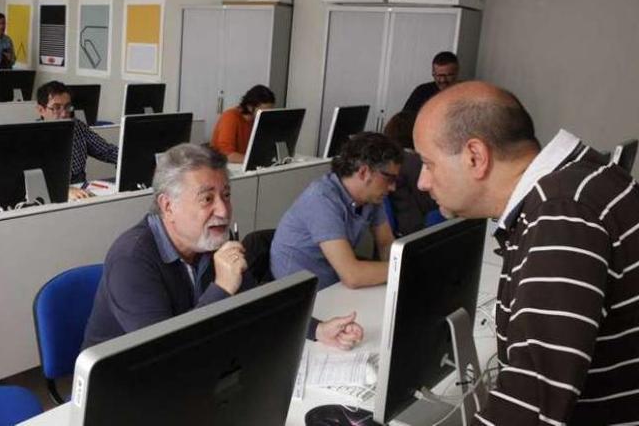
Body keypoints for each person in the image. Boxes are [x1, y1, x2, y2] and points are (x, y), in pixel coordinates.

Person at [413, 81, 639, 425]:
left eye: (428, 164)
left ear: (476, 157)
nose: (422, 183)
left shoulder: (560, 213)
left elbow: (533, 405)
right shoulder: (580, 182)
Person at [82, 143, 365, 350]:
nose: (223, 209)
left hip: (194, 366)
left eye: (226, 195)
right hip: (124, 386)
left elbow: (260, 304)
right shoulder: (131, 259)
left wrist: (318, 330)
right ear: (167, 206)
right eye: (207, 199)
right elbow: (164, 352)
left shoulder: (209, 239)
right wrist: (222, 287)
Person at [270, 132, 402, 290]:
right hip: (300, 292)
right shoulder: (322, 199)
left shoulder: (371, 197)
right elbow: (352, 275)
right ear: (363, 172)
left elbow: (386, 243)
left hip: (333, 280)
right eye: (389, 179)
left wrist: (397, 271)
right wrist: (402, 269)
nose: (393, 187)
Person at [36, 81, 118, 200]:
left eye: (68, 107)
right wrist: (64, 189)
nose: (64, 114)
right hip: (49, 198)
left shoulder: (77, 127)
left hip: (81, 194)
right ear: (41, 110)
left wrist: (129, 158)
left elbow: (107, 151)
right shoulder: (32, 137)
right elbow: (29, 180)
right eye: (56, 108)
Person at [382, 111, 438, 236]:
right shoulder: (416, 163)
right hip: (418, 230)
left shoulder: (391, 161)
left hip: (402, 230)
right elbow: (431, 204)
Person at [210, 84, 276, 163]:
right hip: (226, 167)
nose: (267, 116)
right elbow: (226, 155)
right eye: (263, 111)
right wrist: (257, 161)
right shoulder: (230, 117)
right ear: (250, 107)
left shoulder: (258, 121)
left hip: (244, 166)